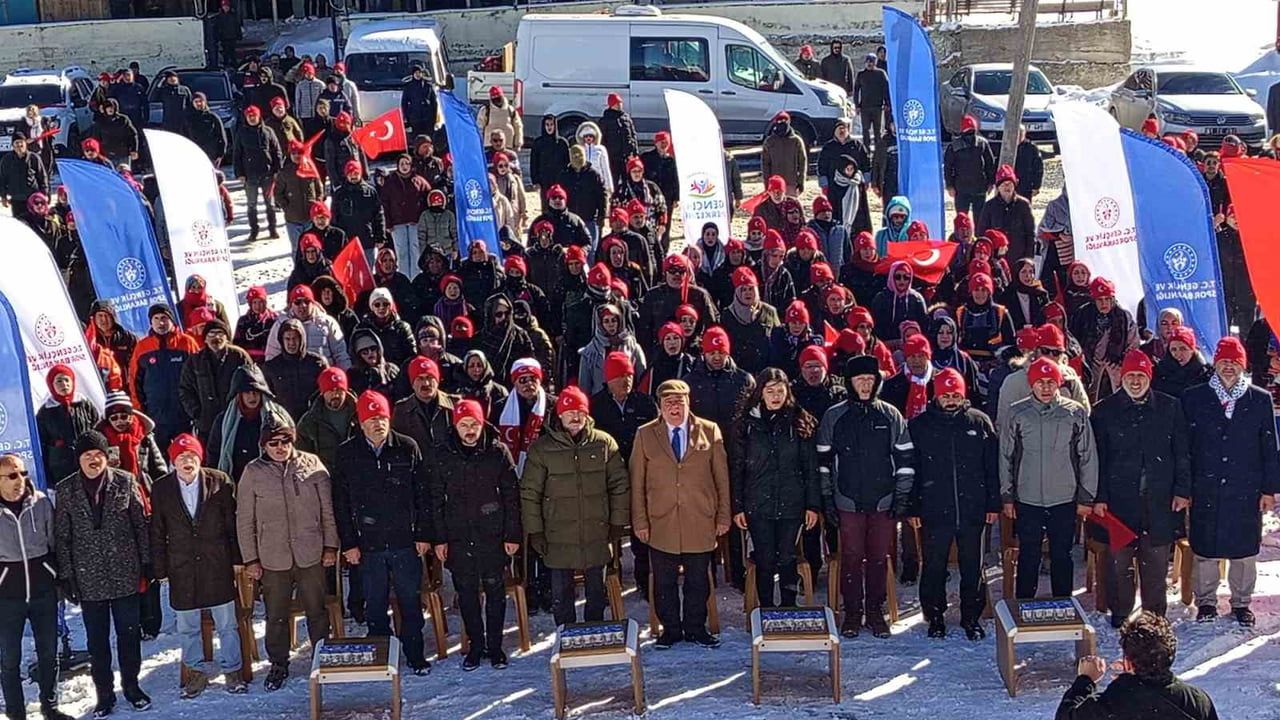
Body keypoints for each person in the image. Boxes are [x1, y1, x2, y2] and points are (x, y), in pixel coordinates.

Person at [236, 409, 337, 691]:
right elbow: (245, 519)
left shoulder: (312, 464)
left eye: (285, 441)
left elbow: (327, 510)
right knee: (276, 613)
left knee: (316, 609)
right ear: (264, 445)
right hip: (273, 555)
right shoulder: (253, 472)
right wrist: (251, 558)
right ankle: (278, 663)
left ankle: (322, 656)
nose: (280, 448)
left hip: (310, 550)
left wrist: (330, 545)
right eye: (274, 443)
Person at [333, 391, 432, 674]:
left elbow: (423, 495)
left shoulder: (407, 447)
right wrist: (349, 543)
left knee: (410, 602)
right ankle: (382, 655)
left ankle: (415, 655)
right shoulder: (347, 453)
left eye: (382, 418)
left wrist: (423, 534)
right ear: (361, 423)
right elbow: (340, 502)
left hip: (404, 541)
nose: (378, 424)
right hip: (368, 544)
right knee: (374, 605)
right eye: (372, 419)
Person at [1182, 337, 1278, 626]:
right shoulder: (1194, 397)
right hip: (1205, 485)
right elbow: (1185, 447)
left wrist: (1269, 490)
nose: (1228, 367)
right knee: (1205, 547)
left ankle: (1241, 602)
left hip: (1245, 488)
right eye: (1223, 361)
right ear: (1214, 363)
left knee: (1244, 549)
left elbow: (1269, 448)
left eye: (1234, 362)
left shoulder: (1260, 399)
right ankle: (1207, 601)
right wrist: (1185, 488)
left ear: (1242, 365)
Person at [54, 431, 152, 716]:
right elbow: (63, 537)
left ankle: (132, 687)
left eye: (98, 454)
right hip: (88, 578)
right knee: (98, 642)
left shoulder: (125, 481)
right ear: (79, 459)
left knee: (129, 635)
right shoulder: (66, 490)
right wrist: (67, 576)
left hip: (125, 574)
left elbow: (140, 526)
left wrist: (146, 564)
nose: (94, 460)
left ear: (106, 456)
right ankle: (105, 694)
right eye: (87, 455)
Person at [817, 354, 914, 638]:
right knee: (850, 557)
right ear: (849, 382)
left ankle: (875, 611)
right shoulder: (835, 416)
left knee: (879, 558)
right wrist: (827, 498)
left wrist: (902, 497)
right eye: (860, 380)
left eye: (870, 380)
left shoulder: (890, 414)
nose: (865, 385)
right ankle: (852, 613)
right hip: (847, 500)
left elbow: (905, 458)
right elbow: (823, 462)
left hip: (883, 499)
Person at [1089, 350, 1189, 626]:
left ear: (1149, 377)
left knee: (1155, 562)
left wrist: (1183, 490)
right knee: (1120, 562)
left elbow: (1182, 452)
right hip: (1119, 500)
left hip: (1160, 498)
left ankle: (1154, 616)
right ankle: (1121, 611)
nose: (1135, 381)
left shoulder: (1170, 407)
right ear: (1122, 378)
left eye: (1141, 376)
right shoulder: (1104, 410)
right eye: (1131, 376)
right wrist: (1099, 497)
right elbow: (1097, 458)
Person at [630, 379, 729, 649]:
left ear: (688, 403)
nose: (674, 408)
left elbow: (721, 478)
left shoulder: (709, 431)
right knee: (664, 582)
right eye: (668, 403)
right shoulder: (645, 434)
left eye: (679, 402)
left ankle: (696, 628)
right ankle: (671, 629)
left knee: (699, 579)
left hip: (700, 519)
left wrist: (723, 515)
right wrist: (640, 520)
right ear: (660, 407)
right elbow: (636, 482)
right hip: (661, 522)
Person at [521, 385, 629, 626]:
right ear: (560, 415)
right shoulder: (542, 449)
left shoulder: (604, 444)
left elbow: (619, 485)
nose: (575, 417)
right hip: (557, 535)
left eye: (580, 411)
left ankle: (594, 634)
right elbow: (529, 493)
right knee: (562, 596)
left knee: (596, 594)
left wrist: (617, 523)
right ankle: (565, 637)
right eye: (569, 412)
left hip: (596, 532)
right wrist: (535, 530)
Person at [426, 399, 521, 670]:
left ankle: (495, 647)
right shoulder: (443, 454)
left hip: (493, 535)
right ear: (455, 426)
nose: (470, 430)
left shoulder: (498, 452)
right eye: (464, 425)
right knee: (466, 594)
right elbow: (435, 500)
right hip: (458, 536)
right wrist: (440, 539)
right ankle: (475, 646)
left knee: (494, 591)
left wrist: (512, 535)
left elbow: (512, 497)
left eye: (474, 425)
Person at [149, 434, 246, 698]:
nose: (186, 461)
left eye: (191, 456)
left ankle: (233, 669)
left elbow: (232, 525)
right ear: (173, 461)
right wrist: (160, 570)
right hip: (181, 566)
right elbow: (157, 531)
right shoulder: (161, 488)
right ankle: (195, 672)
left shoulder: (219, 481)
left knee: (227, 623)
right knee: (187, 626)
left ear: (199, 458)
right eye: (181, 457)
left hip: (217, 563)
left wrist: (238, 559)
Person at [905, 368, 998, 640]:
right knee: (934, 565)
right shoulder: (920, 426)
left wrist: (992, 503)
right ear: (937, 396)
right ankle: (934, 615)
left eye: (956, 394)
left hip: (973, 508)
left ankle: (971, 616)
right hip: (934, 509)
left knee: (973, 566)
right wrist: (912, 506)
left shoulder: (979, 422)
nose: (951, 400)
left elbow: (991, 467)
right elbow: (912, 469)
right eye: (945, 395)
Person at [1001, 357, 1098, 599]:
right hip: (1028, 496)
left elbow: (1087, 455)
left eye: (1050, 382)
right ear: (1031, 384)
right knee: (1029, 553)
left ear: (1058, 384)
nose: (1045, 388)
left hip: (1063, 496)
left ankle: (1063, 601)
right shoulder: (1017, 412)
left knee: (1061, 553)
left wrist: (1086, 496)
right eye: (1040, 382)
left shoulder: (1074, 413)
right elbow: (1005, 456)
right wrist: (1007, 495)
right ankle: (1024, 602)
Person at [731, 369, 819, 608]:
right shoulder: (746, 425)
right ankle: (767, 606)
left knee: (788, 556)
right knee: (765, 558)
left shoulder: (799, 420)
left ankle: (789, 604)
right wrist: (737, 506)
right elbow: (737, 468)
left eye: (780, 391)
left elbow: (810, 467)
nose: (776, 396)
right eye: (770, 391)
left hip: (792, 502)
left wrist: (812, 505)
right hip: (758, 503)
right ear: (760, 394)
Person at [0, 453, 73, 720]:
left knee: (48, 654)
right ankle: (16, 712)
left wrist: (57, 576)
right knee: (9, 659)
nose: (20, 480)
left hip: (43, 592)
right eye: (11, 475)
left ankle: (50, 707)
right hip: (7, 597)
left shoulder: (41, 503)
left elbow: (55, 542)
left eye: (23, 473)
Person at [1056, 612, 1219, 720]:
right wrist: (1130, 683)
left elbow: (1066, 716)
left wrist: (1085, 681)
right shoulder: (1197, 701)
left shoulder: (1113, 703)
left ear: (1127, 661)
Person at [130, 305, 202, 450]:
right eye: (155, 319)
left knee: (186, 453)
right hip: (156, 416)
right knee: (158, 461)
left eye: (164, 318)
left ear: (172, 320)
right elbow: (134, 381)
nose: (160, 323)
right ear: (151, 322)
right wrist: (140, 410)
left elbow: (200, 376)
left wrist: (196, 408)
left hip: (184, 415)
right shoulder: (142, 347)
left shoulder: (187, 343)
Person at [178, 317, 254, 443]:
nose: (216, 338)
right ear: (205, 338)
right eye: (211, 334)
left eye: (220, 333)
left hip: (238, 419)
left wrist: (246, 410)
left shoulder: (239, 356)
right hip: (207, 424)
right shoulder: (194, 361)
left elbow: (253, 384)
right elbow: (185, 389)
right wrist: (197, 412)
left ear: (227, 336)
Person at [36, 365, 101, 490]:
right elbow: (42, 444)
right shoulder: (45, 412)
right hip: (61, 467)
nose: (64, 384)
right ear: (51, 385)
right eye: (59, 381)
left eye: (67, 380)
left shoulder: (84, 404)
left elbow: (97, 430)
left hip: (88, 461)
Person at [265, 285, 351, 368]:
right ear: (291, 305)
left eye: (306, 301)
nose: (303, 306)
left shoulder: (327, 322)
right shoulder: (280, 324)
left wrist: (345, 376)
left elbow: (340, 354)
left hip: (323, 376)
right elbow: (272, 354)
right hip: (292, 378)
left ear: (313, 303)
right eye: (297, 302)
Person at [232, 105, 283, 242]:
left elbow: (276, 151)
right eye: (249, 116)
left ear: (258, 116)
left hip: (267, 173)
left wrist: (277, 170)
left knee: (270, 204)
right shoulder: (242, 133)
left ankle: (273, 229)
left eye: (254, 116)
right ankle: (254, 230)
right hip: (250, 175)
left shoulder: (268, 131)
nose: (252, 118)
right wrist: (239, 173)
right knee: (251, 204)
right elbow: (237, 155)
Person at [976, 165, 1036, 261]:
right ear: (998, 187)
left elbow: (1030, 233)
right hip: (997, 258)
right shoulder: (989, 206)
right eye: (1003, 184)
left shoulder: (1024, 205)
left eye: (1010, 184)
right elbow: (981, 233)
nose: (1007, 187)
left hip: (1019, 257)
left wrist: (1029, 257)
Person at [332, 161, 386, 266]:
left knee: (368, 273)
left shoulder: (370, 192)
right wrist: (336, 240)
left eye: (356, 173)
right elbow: (334, 218)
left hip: (367, 240)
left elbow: (378, 215)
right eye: (350, 174)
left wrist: (380, 237)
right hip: (347, 242)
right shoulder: (339, 194)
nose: (353, 176)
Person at [944, 114, 995, 220]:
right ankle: (961, 236)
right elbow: (948, 168)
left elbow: (990, 164)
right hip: (961, 188)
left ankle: (979, 236)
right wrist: (950, 185)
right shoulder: (954, 146)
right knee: (962, 219)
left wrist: (991, 182)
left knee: (980, 218)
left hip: (979, 188)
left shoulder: (982, 144)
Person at [0, 134, 48, 220]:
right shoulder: (6, 160)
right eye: (16, 143)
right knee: (20, 225)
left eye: (21, 142)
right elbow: (2, 179)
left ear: (26, 143)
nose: (19, 145)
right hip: (16, 199)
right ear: (13, 146)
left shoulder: (34, 158)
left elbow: (42, 177)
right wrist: (3, 196)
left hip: (33, 198)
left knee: (36, 224)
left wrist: (45, 194)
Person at [529, 115, 570, 208]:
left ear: (555, 126)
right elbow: (533, 163)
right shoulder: (538, 143)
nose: (549, 127)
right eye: (547, 125)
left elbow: (567, 163)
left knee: (560, 205)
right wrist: (535, 181)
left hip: (560, 181)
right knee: (546, 206)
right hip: (544, 182)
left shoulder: (562, 143)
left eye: (551, 124)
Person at [762, 112, 806, 196]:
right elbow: (765, 164)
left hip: (791, 183)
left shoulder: (796, 141)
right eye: (779, 121)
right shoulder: (770, 141)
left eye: (784, 121)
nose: (782, 123)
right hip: (775, 184)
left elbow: (802, 163)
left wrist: (801, 182)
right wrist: (767, 184)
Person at [599, 93, 638, 184]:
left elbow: (633, 135)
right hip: (613, 157)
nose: (619, 105)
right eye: (617, 103)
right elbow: (602, 139)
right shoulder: (605, 120)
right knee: (614, 180)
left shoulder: (626, 118)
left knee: (628, 181)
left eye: (620, 103)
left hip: (626, 156)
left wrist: (635, 152)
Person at [854, 53, 890, 151]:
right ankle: (866, 150)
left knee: (877, 131)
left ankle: (878, 152)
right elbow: (856, 90)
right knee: (865, 130)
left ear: (875, 63)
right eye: (868, 61)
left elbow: (886, 89)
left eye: (872, 62)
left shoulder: (881, 74)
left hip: (877, 107)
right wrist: (856, 105)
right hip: (865, 107)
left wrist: (887, 103)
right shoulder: (861, 75)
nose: (869, 64)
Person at [477, 86, 522, 152]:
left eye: (498, 98)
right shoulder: (485, 110)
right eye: (494, 99)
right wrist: (478, 144)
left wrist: (518, 144)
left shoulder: (511, 110)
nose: (497, 101)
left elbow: (518, 127)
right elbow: (479, 128)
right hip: (489, 147)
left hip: (507, 146)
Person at [400, 63, 438, 136]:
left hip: (428, 118)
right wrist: (406, 117)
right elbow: (404, 103)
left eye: (419, 72)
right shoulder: (409, 87)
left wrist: (434, 117)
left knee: (429, 137)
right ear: (413, 74)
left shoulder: (428, 86)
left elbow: (434, 102)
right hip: (415, 118)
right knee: (416, 137)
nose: (418, 74)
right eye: (416, 73)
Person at [156, 70, 193, 135]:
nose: (172, 79)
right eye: (170, 78)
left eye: (174, 77)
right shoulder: (164, 90)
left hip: (182, 121)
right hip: (168, 122)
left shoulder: (184, 90)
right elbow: (155, 96)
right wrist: (161, 82)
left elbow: (190, 104)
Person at [1013, 126, 1044, 199]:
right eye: (1016, 133)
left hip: (1026, 186)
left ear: (1024, 134)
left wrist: (1037, 186)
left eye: (1020, 134)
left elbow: (1038, 168)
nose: (1018, 136)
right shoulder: (1006, 146)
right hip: (1011, 185)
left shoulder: (1031, 148)